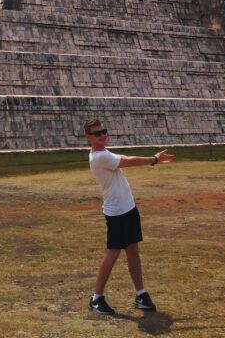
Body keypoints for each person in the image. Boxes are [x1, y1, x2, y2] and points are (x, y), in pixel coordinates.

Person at [84, 118, 175, 316]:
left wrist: (153, 161)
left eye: (104, 131)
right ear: (88, 137)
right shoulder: (99, 157)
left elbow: (122, 156)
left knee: (133, 250)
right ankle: (96, 298)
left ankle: (141, 294)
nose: (103, 135)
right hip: (117, 212)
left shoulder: (104, 153)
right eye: (97, 133)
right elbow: (128, 161)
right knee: (113, 253)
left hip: (128, 208)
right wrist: (154, 160)